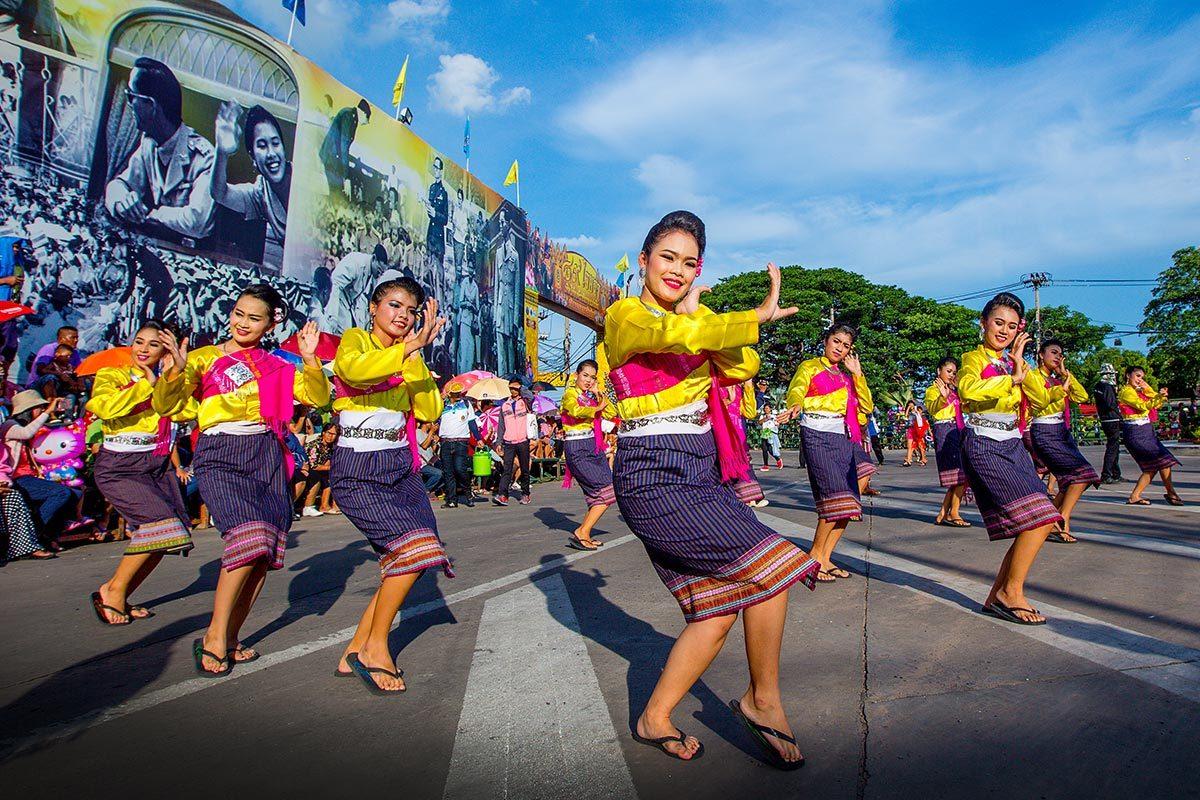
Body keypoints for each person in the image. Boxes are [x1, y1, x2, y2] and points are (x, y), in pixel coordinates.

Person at [606, 210, 816, 770]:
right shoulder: (625, 317)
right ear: (644, 259)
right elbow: (667, 333)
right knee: (772, 567)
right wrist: (744, 316)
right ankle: (762, 700)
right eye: (667, 257)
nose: (677, 270)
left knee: (717, 611)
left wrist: (720, 318)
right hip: (653, 473)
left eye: (690, 261)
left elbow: (742, 365)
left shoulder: (700, 321)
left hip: (701, 468)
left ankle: (655, 718)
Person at [153, 283, 329, 675]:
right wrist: (174, 374)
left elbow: (317, 399)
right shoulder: (202, 358)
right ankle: (214, 635)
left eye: (254, 318)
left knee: (263, 553)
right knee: (247, 536)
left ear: (269, 325)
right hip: (219, 454)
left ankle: (232, 636)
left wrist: (310, 360)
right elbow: (168, 407)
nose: (243, 323)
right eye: (238, 313)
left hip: (266, 455)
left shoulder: (280, 364)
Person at [329, 277, 450, 693]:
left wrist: (415, 359)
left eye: (411, 311)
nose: (403, 316)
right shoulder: (355, 341)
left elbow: (431, 407)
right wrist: (409, 349)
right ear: (373, 309)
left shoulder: (409, 355)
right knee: (414, 550)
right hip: (359, 468)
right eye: (395, 306)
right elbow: (354, 372)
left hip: (401, 468)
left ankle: (357, 646)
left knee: (413, 559)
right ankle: (375, 650)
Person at [958, 292, 1062, 626]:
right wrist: (1011, 379)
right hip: (984, 443)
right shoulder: (973, 358)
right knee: (1042, 518)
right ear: (984, 323)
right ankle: (1011, 593)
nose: (1004, 330)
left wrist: (1023, 370)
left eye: (1012, 326)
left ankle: (997, 596)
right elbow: (968, 390)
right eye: (998, 322)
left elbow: (1043, 399)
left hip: (1014, 444)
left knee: (1038, 520)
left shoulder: (1016, 363)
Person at [87, 321, 195, 625]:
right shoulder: (114, 374)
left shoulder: (168, 378)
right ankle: (112, 591)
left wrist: (172, 376)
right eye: (139, 342)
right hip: (121, 465)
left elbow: (184, 411)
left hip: (156, 464)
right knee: (160, 526)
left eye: (153, 344)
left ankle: (121, 593)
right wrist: (143, 386)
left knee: (168, 538)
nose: (143, 349)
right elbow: (104, 407)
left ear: (164, 351)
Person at [781, 323, 873, 582]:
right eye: (836, 342)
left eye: (845, 346)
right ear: (826, 340)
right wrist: (795, 405)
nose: (840, 348)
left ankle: (825, 557)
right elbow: (797, 389)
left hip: (843, 437)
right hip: (817, 435)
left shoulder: (846, 377)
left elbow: (866, 406)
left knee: (850, 500)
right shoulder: (809, 367)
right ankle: (814, 559)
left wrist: (858, 374)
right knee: (835, 498)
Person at [104, 57, 215, 242]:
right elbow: (118, 184)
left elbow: (198, 222)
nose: (129, 103)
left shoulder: (205, 157)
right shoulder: (149, 142)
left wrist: (150, 215)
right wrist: (121, 200)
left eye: (132, 96)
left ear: (151, 105)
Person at [1027, 339, 1100, 542]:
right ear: (1041, 355)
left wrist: (1066, 376)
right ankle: (1062, 518)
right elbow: (1038, 400)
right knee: (1083, 474)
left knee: (1072, 481)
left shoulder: (1060, 378)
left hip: (1061, 430)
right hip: (1043, 429)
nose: (1057, 357)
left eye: (1060, 354)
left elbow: (1081, 396)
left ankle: (1051, 521)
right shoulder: (1032, 376)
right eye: (1053, 352)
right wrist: (1060, 388)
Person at [211, 102, 289, 271]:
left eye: (276, 143)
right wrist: (222, 151)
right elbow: (220, 193)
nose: (271, 154)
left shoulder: (303, 180)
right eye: (262, 146)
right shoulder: (260, 193)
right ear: (252, 157)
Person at [2, 390, 76, 549]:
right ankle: (33, 532)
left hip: (34, 475)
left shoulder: (32, 425)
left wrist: (57, 415)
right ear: (27, 410)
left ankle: (49, 536)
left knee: (75, 493)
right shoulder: (9, 425)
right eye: (39, 408)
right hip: (16, 478)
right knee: (61, 493)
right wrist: (48, 411)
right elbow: (26, 433)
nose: (42, 411)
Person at [559, 358, 617, 549]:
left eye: (592, 377)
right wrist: (596, 408)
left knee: (598, 493)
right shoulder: (570, 394)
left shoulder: (591, 397)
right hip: (577, 447)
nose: (588, 380)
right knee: (608, 491)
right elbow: (575, 410)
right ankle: (582, 531)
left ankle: (585, 532)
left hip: (592, 445)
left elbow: (609, 414)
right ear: (576, 375)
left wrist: (600, 395)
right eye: (585, 375)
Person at [1119, 366, 1181, 506]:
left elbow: (1156, 404)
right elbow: (1143, 406)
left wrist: (1150, 390)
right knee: (1158, 463)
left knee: (1160, 463)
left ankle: (1138, 496)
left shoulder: (1139, 391)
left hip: (1146, 430)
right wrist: (1157, 396)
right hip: (1135, 431)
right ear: (1128, 375)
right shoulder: (1126, 392)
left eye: (1142, 377)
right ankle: (1170, 493)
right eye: (1137, 376)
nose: (1140, 380)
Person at [924, 356, 970, 527]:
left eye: (954, 372)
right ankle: (953, 512)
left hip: (957, 430)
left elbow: (966, 407)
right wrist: (943, 397)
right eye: (948, 371)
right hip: (944, 429)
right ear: (939, 371)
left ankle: (944, 513)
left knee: (961, 475)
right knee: (959, 474)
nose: (951, 375)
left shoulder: (955, 391)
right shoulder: (932, 390)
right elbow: (932, 408)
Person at [492, 378, 535, 506]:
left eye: (515, 388)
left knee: (524, 468)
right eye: (511, 388)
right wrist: (499, 442)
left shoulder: (525, 402)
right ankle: (503, 495)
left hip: (523, 440)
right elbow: (501, 425)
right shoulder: (504, 405)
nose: (513, 391)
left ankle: (525, 494)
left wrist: (520, 388)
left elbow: (530, 395)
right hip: (509, 441)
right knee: (507, 468)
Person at [438, 382, 479, 507]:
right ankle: (451, 500)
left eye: (459, 393)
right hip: (445, 442)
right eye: (455, 394)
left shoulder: (466, 404)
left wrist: (479, 438)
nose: (458, 395)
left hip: (461, 442)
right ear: (450, 394)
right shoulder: (442, 406)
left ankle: (468, 494)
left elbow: (472, 422)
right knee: (448, 472)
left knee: (460, 469)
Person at [320, 99, 369, 197]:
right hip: (331, 160)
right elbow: (344, 146)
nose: (367, 122)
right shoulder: (349, 116)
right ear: (363, 113)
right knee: (337, 195)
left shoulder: (351, 117)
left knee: (337, 194)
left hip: (333, 159)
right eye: (367, 118)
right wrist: (346, 177)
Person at [294, 424, 338, 517]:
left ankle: (327, 505)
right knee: (317, 476)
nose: (331, 436)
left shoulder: (330, 447)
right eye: (329, 433)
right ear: (323, 433)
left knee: (332, 476)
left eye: (334, 434)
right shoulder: (315, 445)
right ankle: (308, 506)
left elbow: (327, 462)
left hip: (318, 469)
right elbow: (314, 466)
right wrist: (332, 467)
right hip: (306, 469)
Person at [1092, 363, 1123, 484]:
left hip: (1105, 418)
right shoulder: (1107, 387)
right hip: (1111, 418)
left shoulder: (1097, 386)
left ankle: (1115, 472)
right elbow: (1111, 403)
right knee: (1113, 447)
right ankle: (1107, 474)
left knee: (1113, 445)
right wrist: (1120, 415)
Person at [902, 401, 928, 466]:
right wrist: (908, 408)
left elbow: (920, 417)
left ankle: (923, 459)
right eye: (909, 404)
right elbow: (905, 416)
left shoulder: (917, 410)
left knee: (920, 445)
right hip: (910, 429)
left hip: (917, 430)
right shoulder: (910, 413)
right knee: (909, 446)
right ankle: (908, 460)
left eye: (911, 404)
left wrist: (915, 409)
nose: (910, 405)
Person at [759, 404, 782, 471]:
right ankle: (766, 465)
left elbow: (777, 423)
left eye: (767, 408)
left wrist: (775, 423)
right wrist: (765, 419)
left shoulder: (773, 416)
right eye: (765, 408)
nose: (766, 410)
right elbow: (759, 422)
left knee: (770, 450)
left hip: (771, 433)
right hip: (764, 433)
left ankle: (778, 459)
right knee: (764, 449)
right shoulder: (762, 416)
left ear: (770, 409)